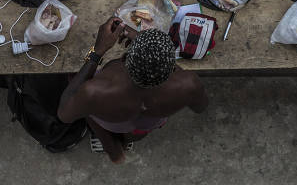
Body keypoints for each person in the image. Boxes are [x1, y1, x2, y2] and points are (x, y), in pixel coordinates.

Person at [57, 18, 208, 163]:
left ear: (124, 59)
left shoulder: (94, 92)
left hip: (111, 119)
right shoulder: (189, 84)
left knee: (76, 85)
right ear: (171, 68)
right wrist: (152, 50)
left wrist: (97, 52)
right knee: (136, 132)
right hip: (150, 121)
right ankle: (127, 141)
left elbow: (64, 115)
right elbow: (201, 107)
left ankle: (113, 150)